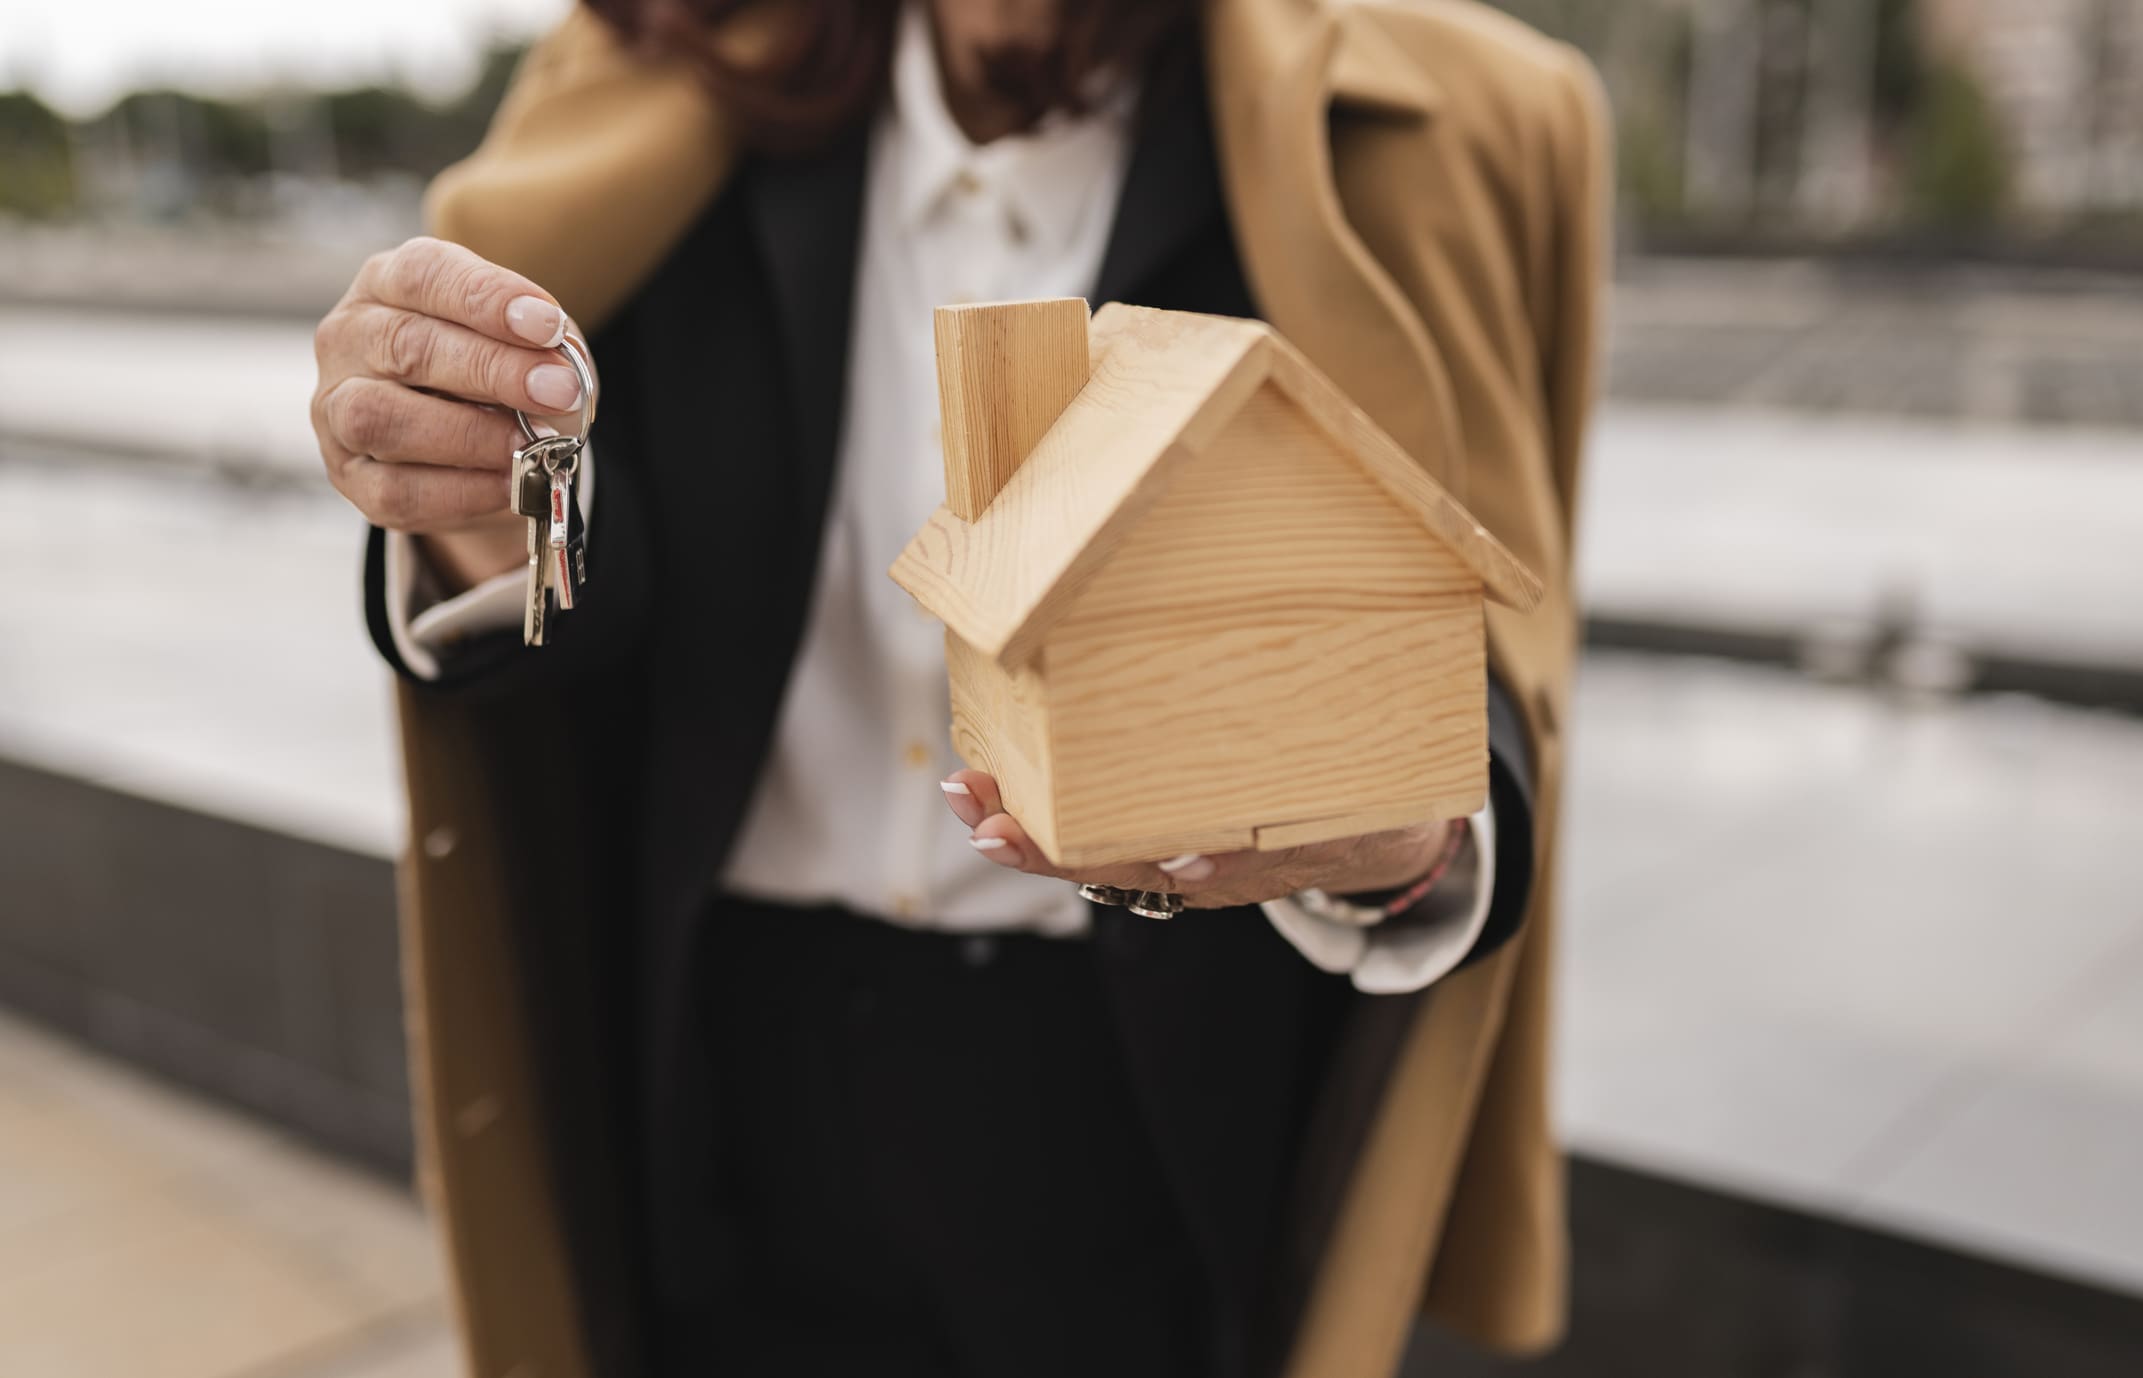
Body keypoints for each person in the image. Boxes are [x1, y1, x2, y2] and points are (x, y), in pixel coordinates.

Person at [310, 1, 1608, 1375]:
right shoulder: (652, 59)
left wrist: (1397, 840)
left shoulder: (1476, 114)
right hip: (724, 1073)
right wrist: (484, 501)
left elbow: (1480, 641)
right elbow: (599, 572)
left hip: (1156, 1109)